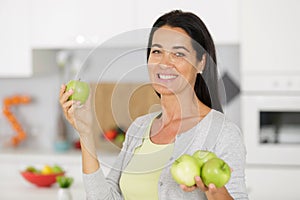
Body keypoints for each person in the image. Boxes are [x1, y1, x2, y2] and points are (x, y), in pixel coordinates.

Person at [59, 10, 248, 200]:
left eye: (178, 53)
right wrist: (85, 133)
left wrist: (215, 192)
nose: (164, 63)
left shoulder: (222, 132)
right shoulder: (139, 128)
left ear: (201, 63)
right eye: (157, 51)